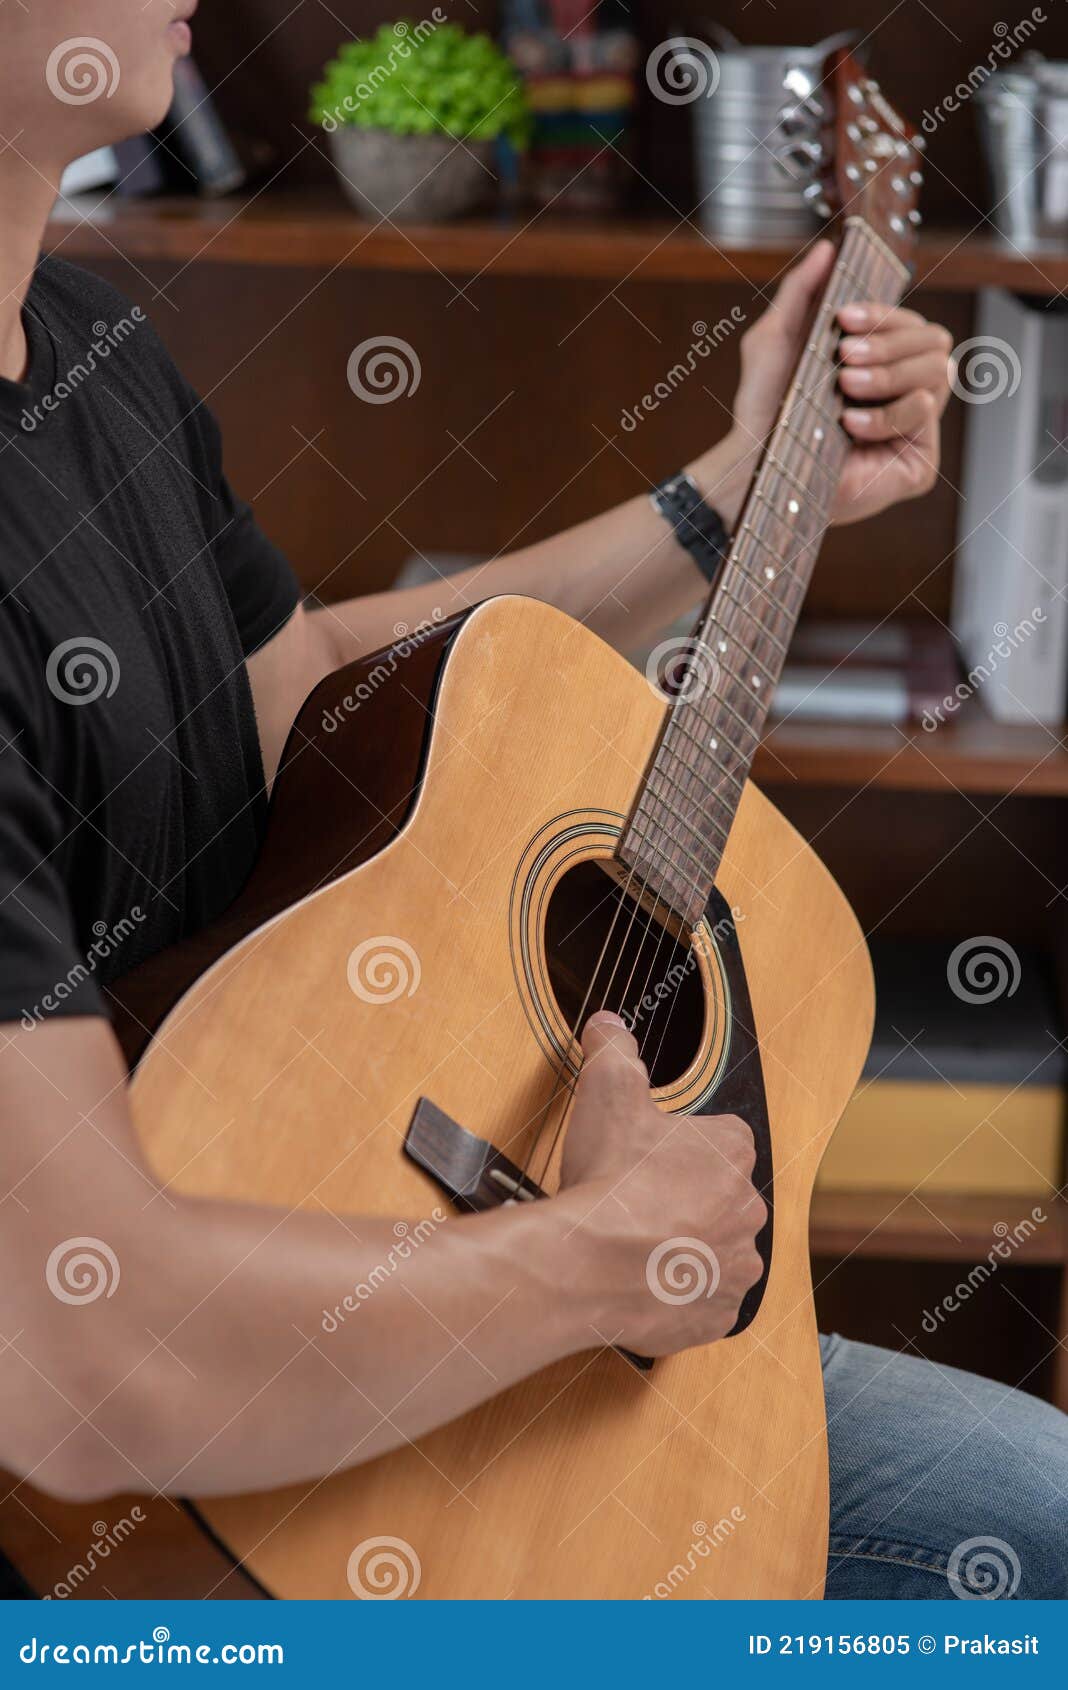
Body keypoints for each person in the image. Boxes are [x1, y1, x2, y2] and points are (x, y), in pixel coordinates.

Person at [0, 0, 1065, 1602]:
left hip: (441, 1269)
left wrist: (737, 491)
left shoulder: (96, 354)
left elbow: (308, 695)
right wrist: (591, 1258)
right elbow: (87, 1357)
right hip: (187, 1485)